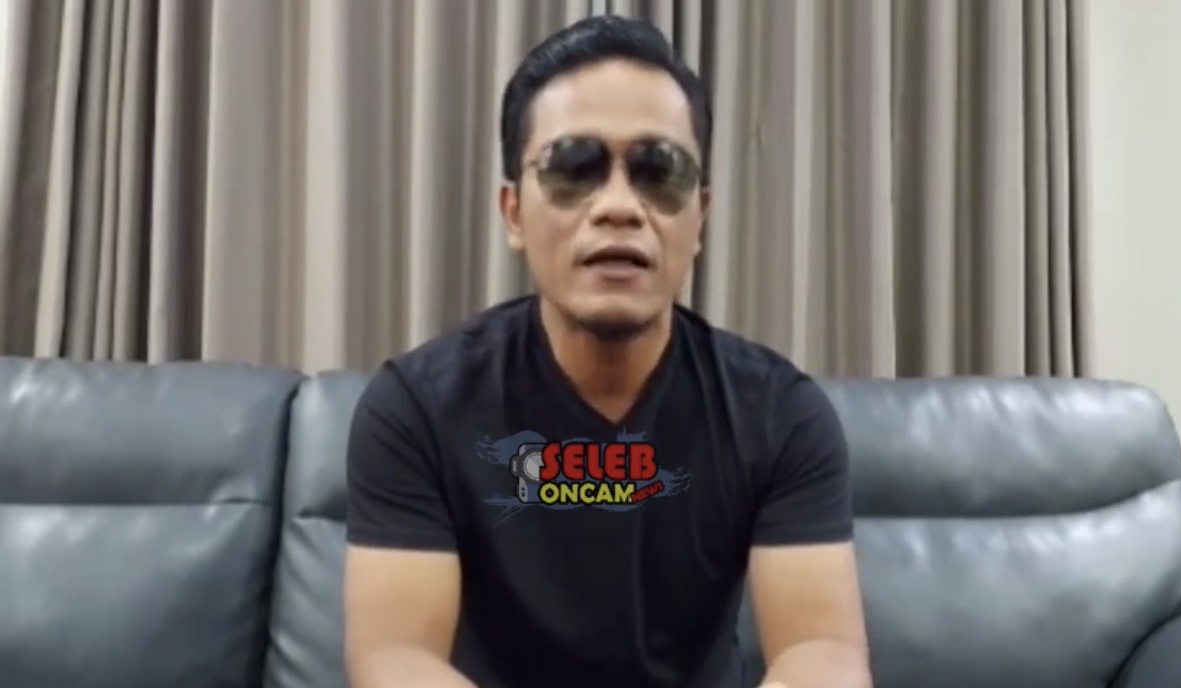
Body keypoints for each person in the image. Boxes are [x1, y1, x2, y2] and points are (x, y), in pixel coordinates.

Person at [342, 14, 871, 688]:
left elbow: (821, 651)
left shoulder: (779, 415)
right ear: (513, 212)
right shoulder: (417, 409)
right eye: (573, 168)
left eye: (660, 171)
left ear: (700, 219)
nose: (619, 206)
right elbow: (396, 659)